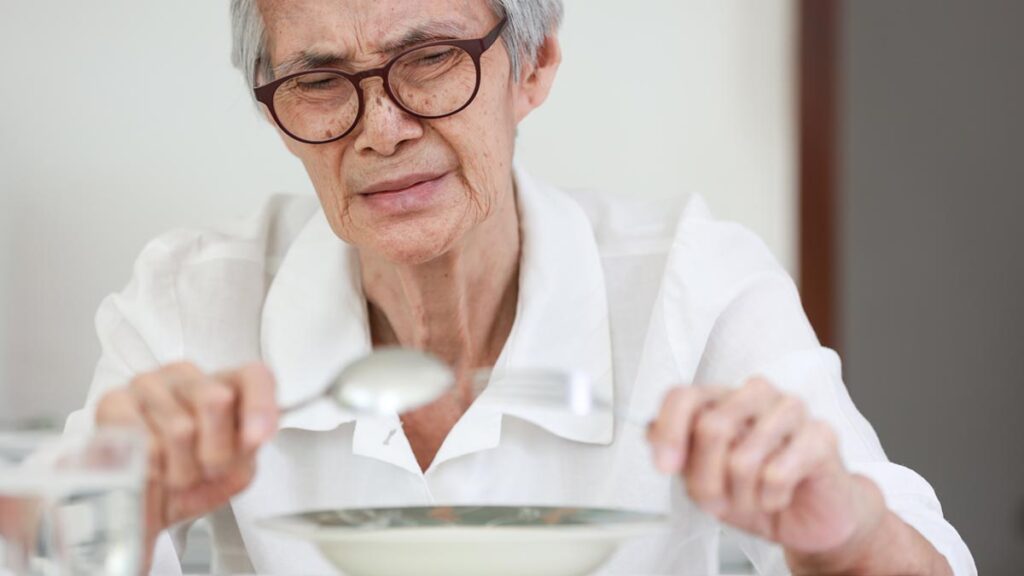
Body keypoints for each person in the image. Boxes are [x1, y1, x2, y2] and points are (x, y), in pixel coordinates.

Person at [64, 0, 976, 573]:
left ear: (531, 68)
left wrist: (847, 539)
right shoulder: (186, 304)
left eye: (429, 59)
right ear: (277, 111)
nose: (380, 128)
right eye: (318, 80)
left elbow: (906, 549)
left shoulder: (694, 285)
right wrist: (113, 517)